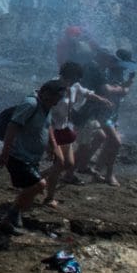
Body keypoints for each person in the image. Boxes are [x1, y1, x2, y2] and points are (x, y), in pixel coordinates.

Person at [0, 80, 66, 235]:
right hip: (18, 155)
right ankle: (10, 216)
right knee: (39, 185)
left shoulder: (46, 106)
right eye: (52, 99)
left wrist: (52, 146)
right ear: (44, 93)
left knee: (30, 190)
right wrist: (5, 153)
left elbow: (47, 127)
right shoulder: (31, 104)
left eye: (56, 101)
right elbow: (12, 126)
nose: (53, 104)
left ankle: (11, 220)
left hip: (31, 157)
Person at [42, 63, 112, 207]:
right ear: (66, 75)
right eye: (74, 78)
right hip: (52, 130)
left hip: (65, 128)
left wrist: (101, 100)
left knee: (69, 164)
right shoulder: (53, 87)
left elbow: (86, 93)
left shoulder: (74, 86)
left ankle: (38, 178)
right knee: (60, 163)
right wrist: (49, 142)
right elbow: (44, 110)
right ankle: (49, 197)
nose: (75, 81)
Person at [75, 51, 134, 186]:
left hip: (112, 113)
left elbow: (120, 94)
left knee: (105, 141)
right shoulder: (106, 72)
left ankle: (96, 170)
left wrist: (126, 85)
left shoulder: (120, 73)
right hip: (102, 112)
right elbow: (107, 90)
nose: (125, 67)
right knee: (115, 142)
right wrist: (125, 88)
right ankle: (105, 172)